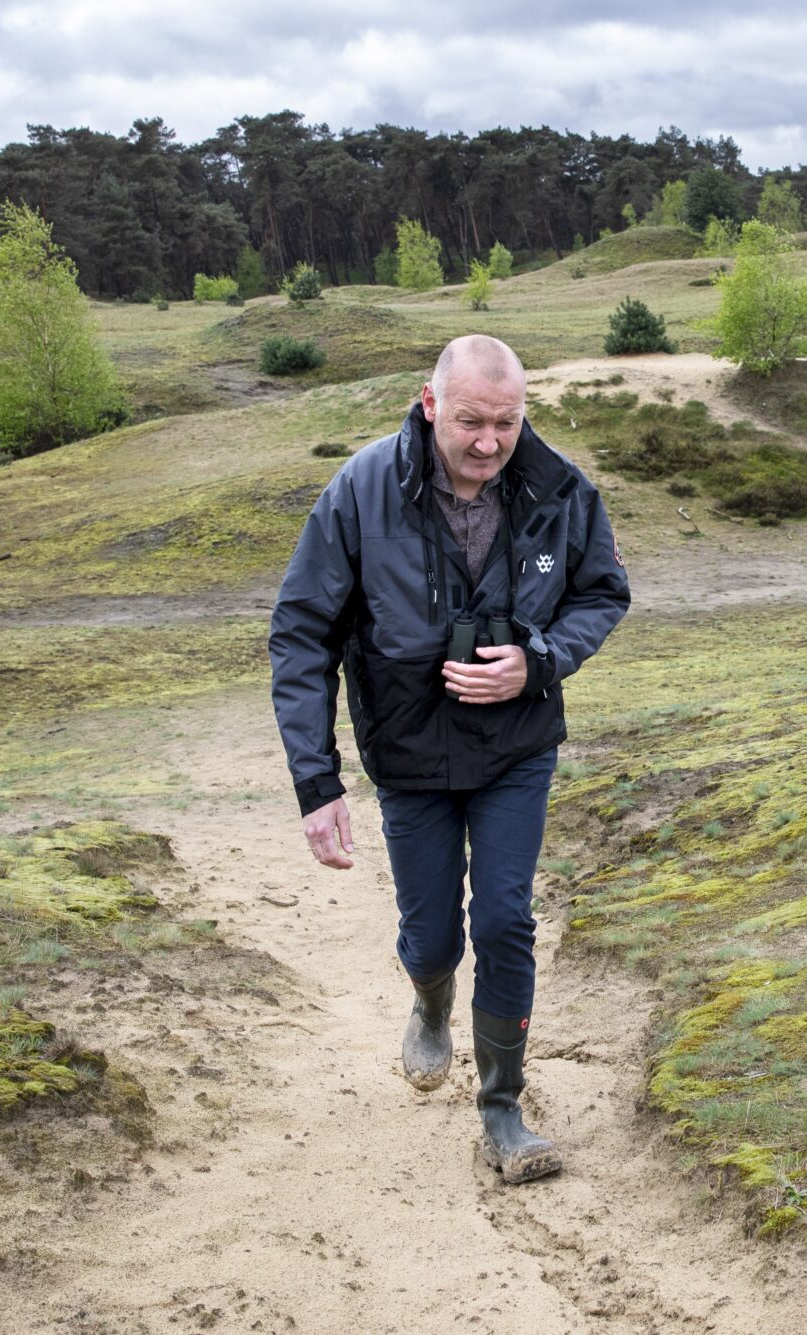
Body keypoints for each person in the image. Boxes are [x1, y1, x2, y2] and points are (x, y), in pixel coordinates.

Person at [267, 334, 630, 1183]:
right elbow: (301, 631)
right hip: (410, 754)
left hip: (516, 748)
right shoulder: (360, 491)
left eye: (506, 423)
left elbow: (602, 592)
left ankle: (504, 1109)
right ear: (430, 403)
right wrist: (316, 784)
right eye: (470, 420)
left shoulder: (562, 490)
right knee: (433, 935)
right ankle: (431, 996)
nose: (488, 443)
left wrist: (538, 659)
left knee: (505, 919)